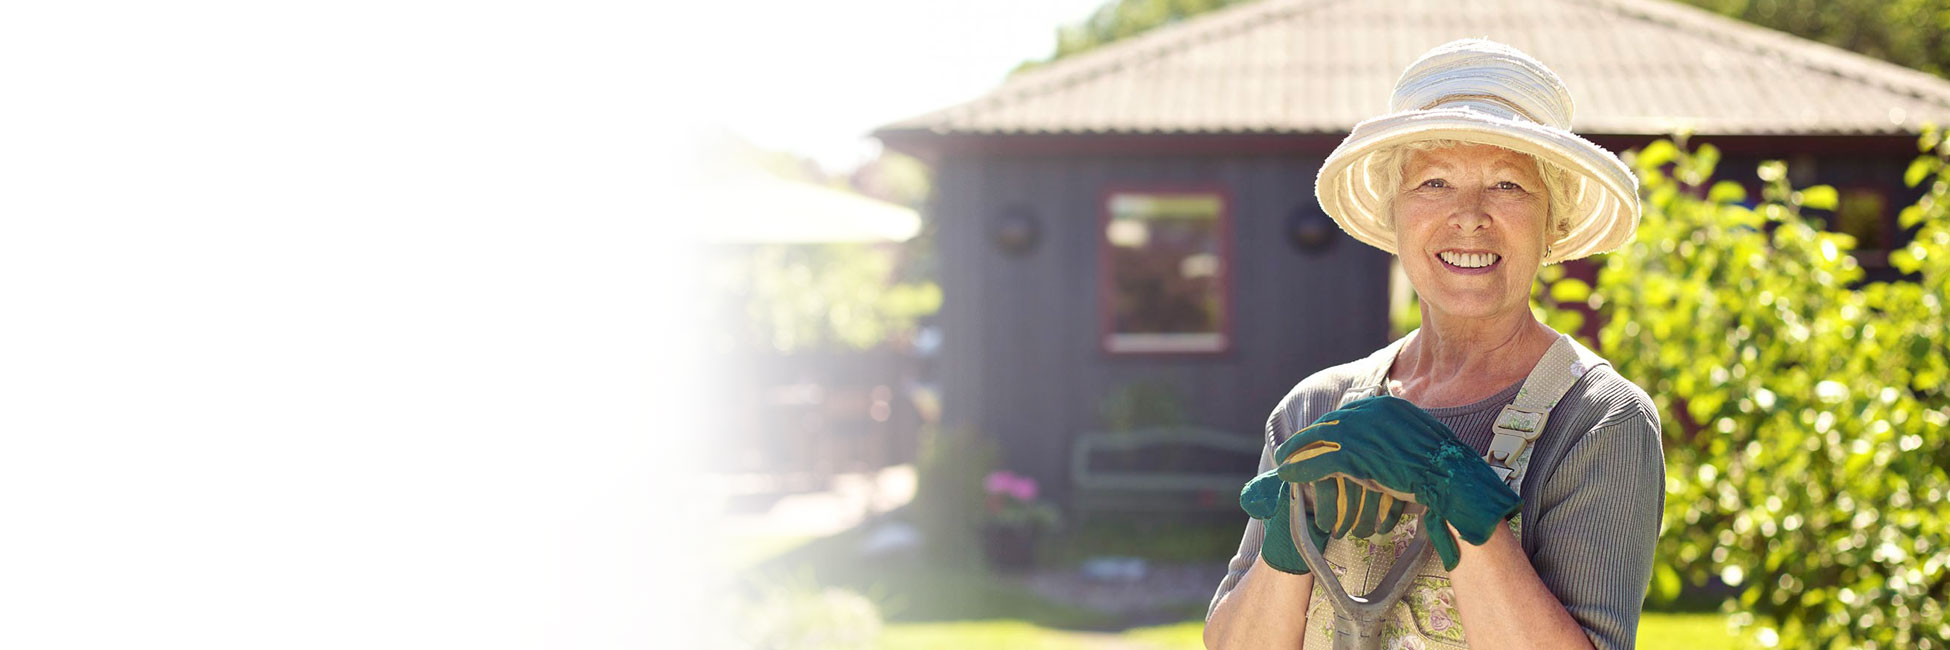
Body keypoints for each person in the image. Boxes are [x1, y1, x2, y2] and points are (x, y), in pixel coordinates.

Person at [1203, 39, 1665, 649]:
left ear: (1553, 225)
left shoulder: (1600, 420)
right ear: (1395, 217)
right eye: (1435, 182)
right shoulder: (1315, 409)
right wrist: (1288, 542)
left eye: (1507, 185)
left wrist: (1458, 494)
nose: (1469, 216)